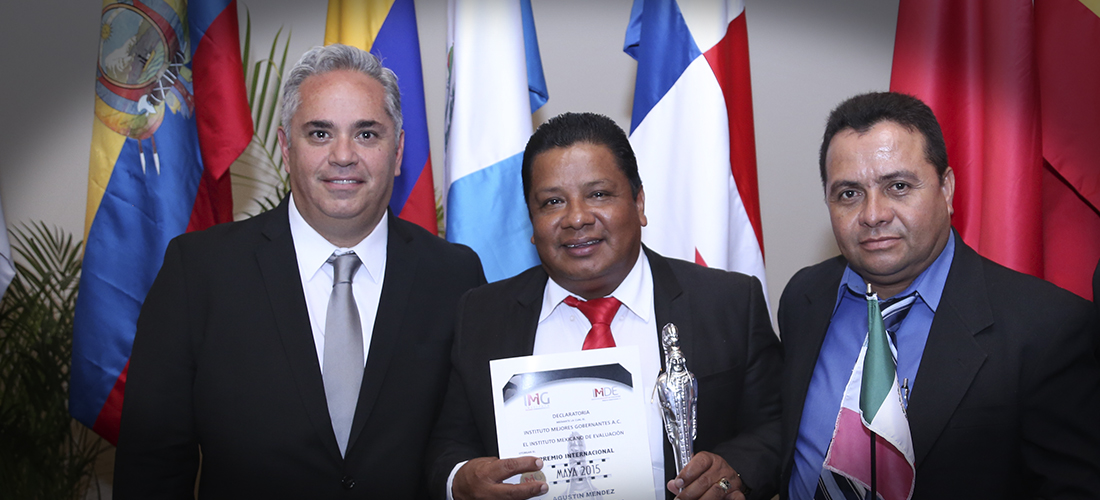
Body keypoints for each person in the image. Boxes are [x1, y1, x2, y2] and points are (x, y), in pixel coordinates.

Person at [113, 44, 486, 498]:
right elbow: (151, 465)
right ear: (287, 149)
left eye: (367, 134)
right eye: (320, 134)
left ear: (399, 149)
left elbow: (466, 438)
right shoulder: (200, 272)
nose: (344, 155)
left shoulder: (453, 275)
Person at [426, 112, 782, 500]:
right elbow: (447, 444)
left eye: (598, 194)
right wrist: (460, 480)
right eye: (552, 202)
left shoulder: (728, 302)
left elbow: (777, 427)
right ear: (531, 221)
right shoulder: (481, 314)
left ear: (639, 202)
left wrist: (733, 471)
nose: (576, 218)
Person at [778, 91, 1100, 499]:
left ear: (946, 189)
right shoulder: (803, 299)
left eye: (897, 186)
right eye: (849, 194)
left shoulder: (1049, 329)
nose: (873, 214)